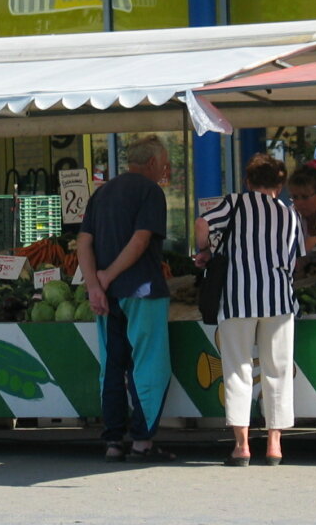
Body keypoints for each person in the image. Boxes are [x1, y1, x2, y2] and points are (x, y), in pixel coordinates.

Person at [194, 153, 304, 467]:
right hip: (279, 299)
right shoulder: (289, 214)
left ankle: (242, 447)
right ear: (280, 185)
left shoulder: (235, 203)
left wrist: (204, 250)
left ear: (247, 180)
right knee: (277, 370)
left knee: (238, 369)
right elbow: (295, 258)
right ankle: (274, 445)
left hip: (237, 298)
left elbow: (203, 223)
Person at [77, 135, 174, 463]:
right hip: (142, 292)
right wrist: (107, 276)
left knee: (112, 367)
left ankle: (113, 441)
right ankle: (142, 442)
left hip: (107, 298)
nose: (165, 169)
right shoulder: (150, 192)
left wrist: (95, 285)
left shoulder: (101, 193)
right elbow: (141, 240)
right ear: (150, 163)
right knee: (148, 366)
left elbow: (83, 242)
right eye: (163, 163)